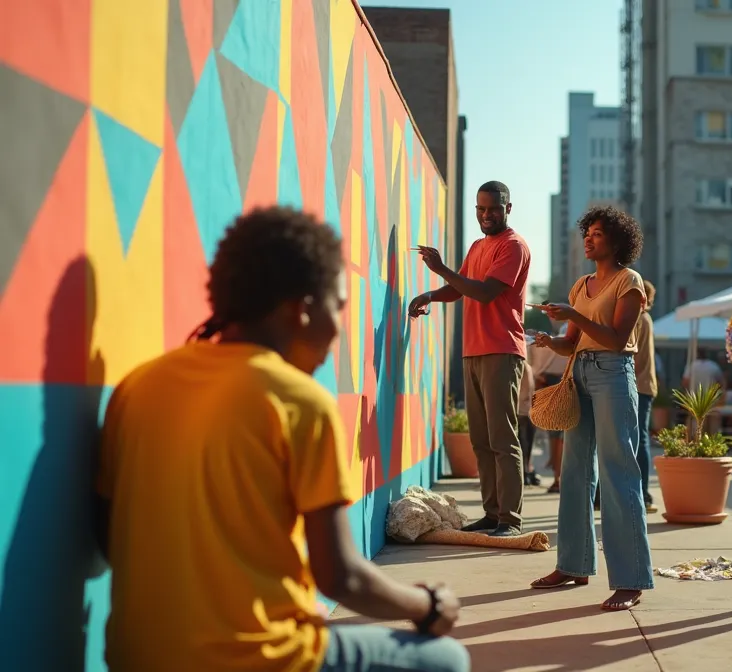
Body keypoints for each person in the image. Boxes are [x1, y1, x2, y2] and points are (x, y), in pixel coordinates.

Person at [94, 207, 469, 672]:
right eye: (338, 306)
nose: (337, 331)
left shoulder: (139, 386)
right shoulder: (299, 402)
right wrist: (428, 604)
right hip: (259, 660)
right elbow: (342, 578)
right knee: (446, 658)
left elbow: (107, 539)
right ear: (303, 309)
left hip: (134, 656)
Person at [530, 205, 654, 611]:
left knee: (618, 473)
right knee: (574, 471)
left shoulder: (628, 281)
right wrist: (551, 340)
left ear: (617, 241)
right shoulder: (580, 285)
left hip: (613, 375)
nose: (589, 238)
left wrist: (574, 318)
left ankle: (631, 580)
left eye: (598, 233)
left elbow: (617, 339)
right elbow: (573, 343)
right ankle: (573, 564)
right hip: (579, 373)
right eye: (588, 232)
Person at [409, 181, 531, 537]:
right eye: (480, 209)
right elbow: (461, 286)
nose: (486, 214)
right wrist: (432, 293)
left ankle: (510, 519)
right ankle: (492, 515)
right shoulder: (479, 246)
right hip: (473, 351)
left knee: (502, 439)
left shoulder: (513, 247)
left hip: (502, 351)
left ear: (508, 208)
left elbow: (485, 293)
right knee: (480, 439)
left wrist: (442, 269)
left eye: (493, 208)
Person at [530, 323, 569, 493]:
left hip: (556, 386)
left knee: (557, 436)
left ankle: (558, 478)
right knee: (559, 436)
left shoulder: (550, 345)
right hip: (564, 385)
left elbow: (537, 371)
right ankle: (559, 477)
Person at [634, 280, 660, 512]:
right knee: (638, 438)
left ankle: (642, 492)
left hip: (636, 385)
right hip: (645, 385)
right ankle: (642, 492)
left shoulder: (638, 319)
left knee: (638, 439)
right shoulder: (646, 319)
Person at [518, 361, 541, 486]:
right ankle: (526, 471)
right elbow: (530, 392)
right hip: (524, 412)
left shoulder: (524, 367)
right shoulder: (526, 367)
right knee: (525, 445)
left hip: (521, 412)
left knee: (523, 445)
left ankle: (526, 471)